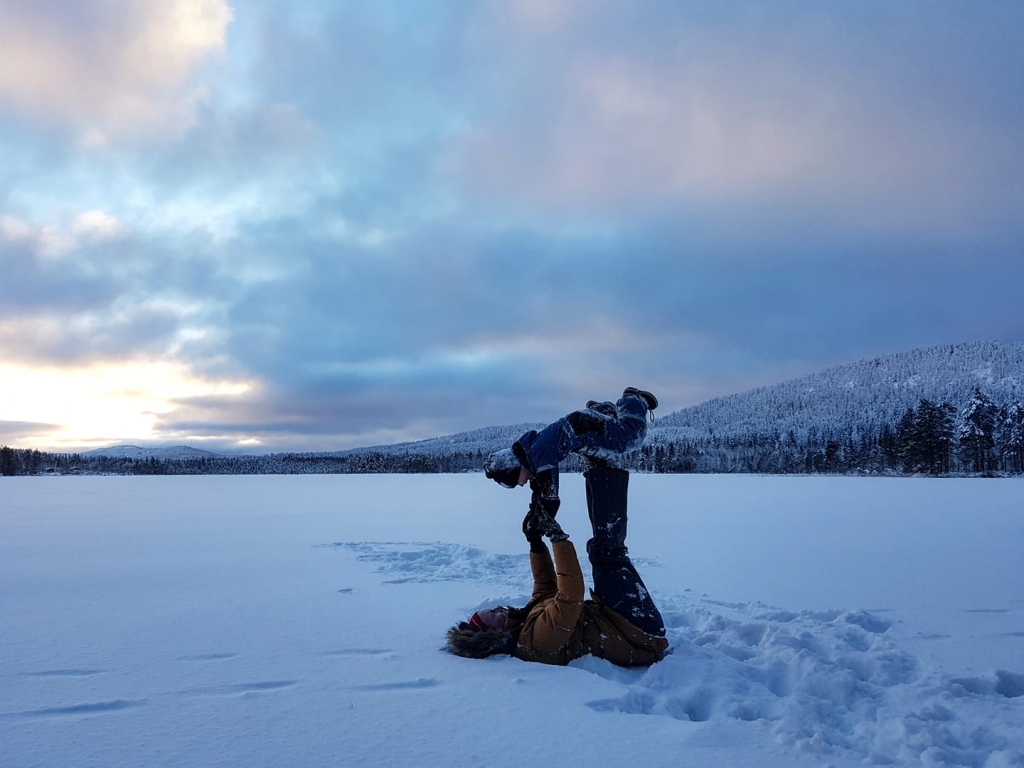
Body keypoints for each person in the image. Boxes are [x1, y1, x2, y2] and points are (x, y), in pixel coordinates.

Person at [446, 388, 668, 667]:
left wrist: (535, 543)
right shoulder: (535, 641)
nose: (496, 608)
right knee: (623, 445)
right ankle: (626, 404)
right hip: (639, 636)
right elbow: (569, 596)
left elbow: (544, 587)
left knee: (605, 551)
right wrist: (554, 532)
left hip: (617, 621)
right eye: (490, 615)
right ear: (494, 633)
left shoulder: (526, 621)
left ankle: (616, 410)